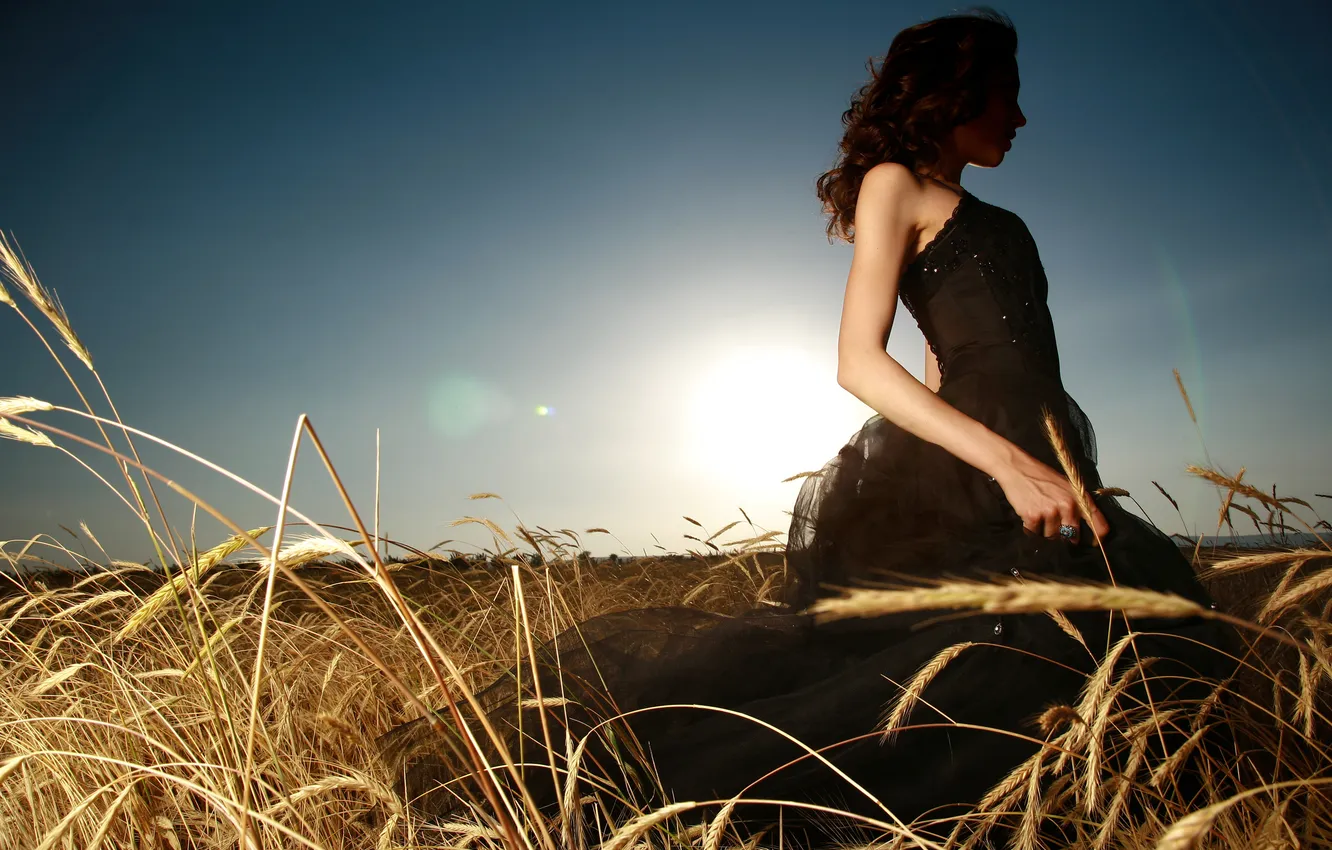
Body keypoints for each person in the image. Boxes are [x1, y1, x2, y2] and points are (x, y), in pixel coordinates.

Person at [378, 8, 1238, 846]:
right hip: (999, 458)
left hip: (1027, 453)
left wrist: (1031, 464)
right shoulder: (893, 183)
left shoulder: (1001, 221)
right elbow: (859, 362)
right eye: (1004, 92)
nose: (1020, 114)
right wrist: (1005, 465)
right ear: (952, 90)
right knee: (980, 652)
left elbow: (948, 367)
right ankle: (688, 794)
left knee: (1126, 622)